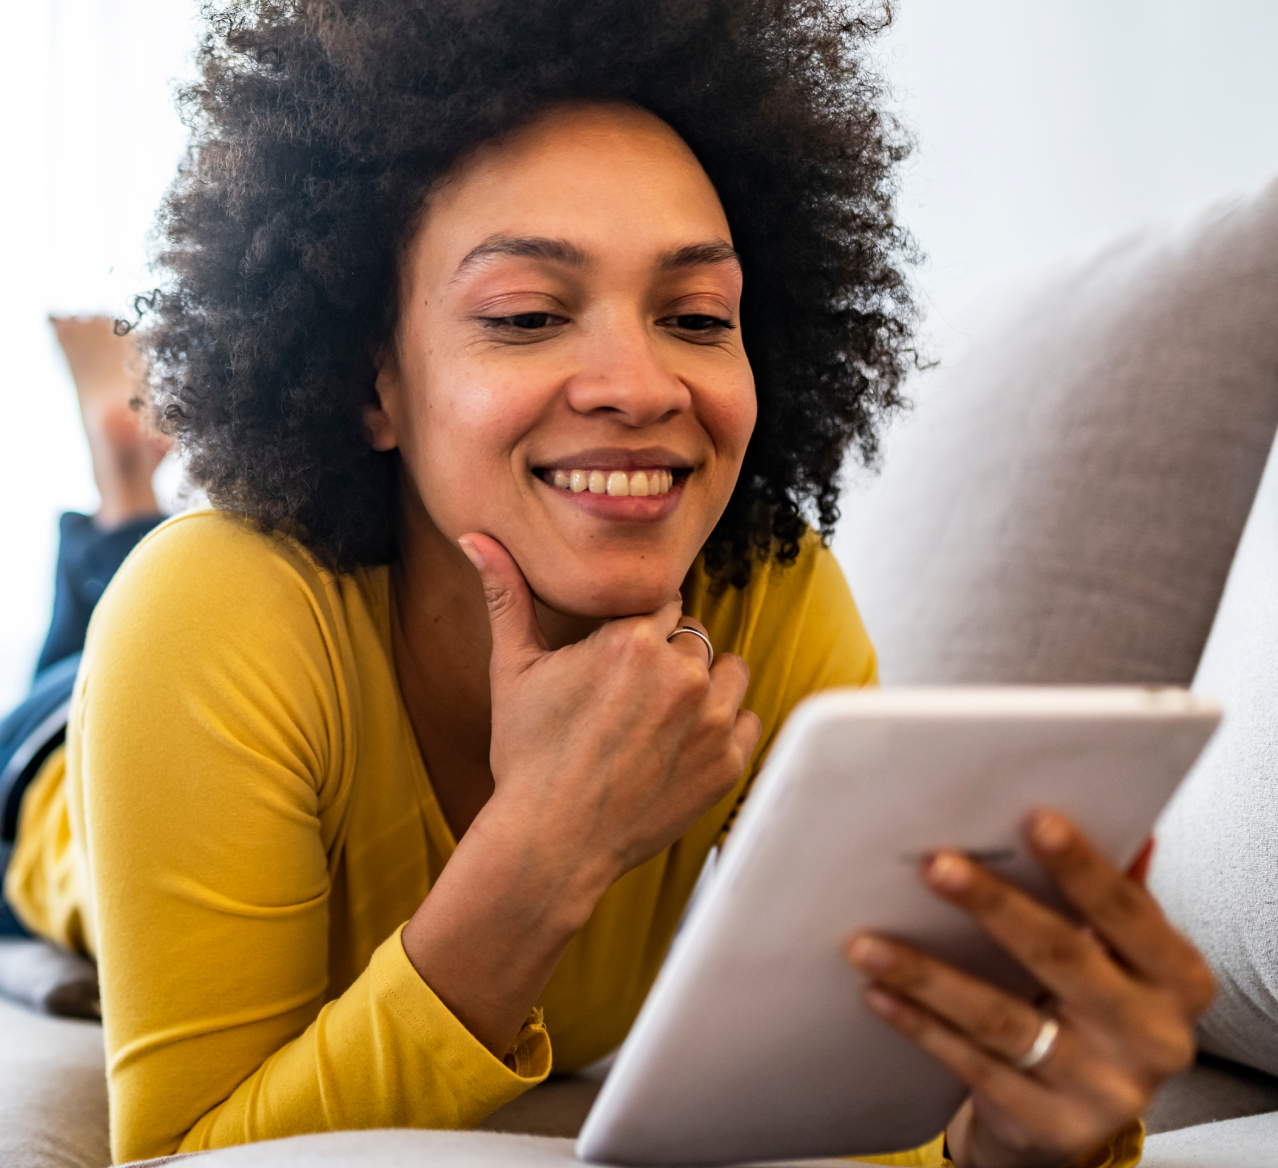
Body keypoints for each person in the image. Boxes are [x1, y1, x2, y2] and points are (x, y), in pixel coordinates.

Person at [3, 3, 1214, 1166]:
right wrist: (539, 855)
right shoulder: (213, 614)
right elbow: (184, 1158)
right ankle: (123, 483)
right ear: (374, 380)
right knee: (99, 633)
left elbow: (865, 1116)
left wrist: (1019, 1131)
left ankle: (122, 465)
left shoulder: (764, 594)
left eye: (695, 315)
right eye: (528, 314)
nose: (640, 385)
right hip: (59, 778)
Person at [0, 317, 167, 937]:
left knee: (79, 675)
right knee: (80, 677)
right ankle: (123, 499)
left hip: (60, 741)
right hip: (55, 752)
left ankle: (124, 500)